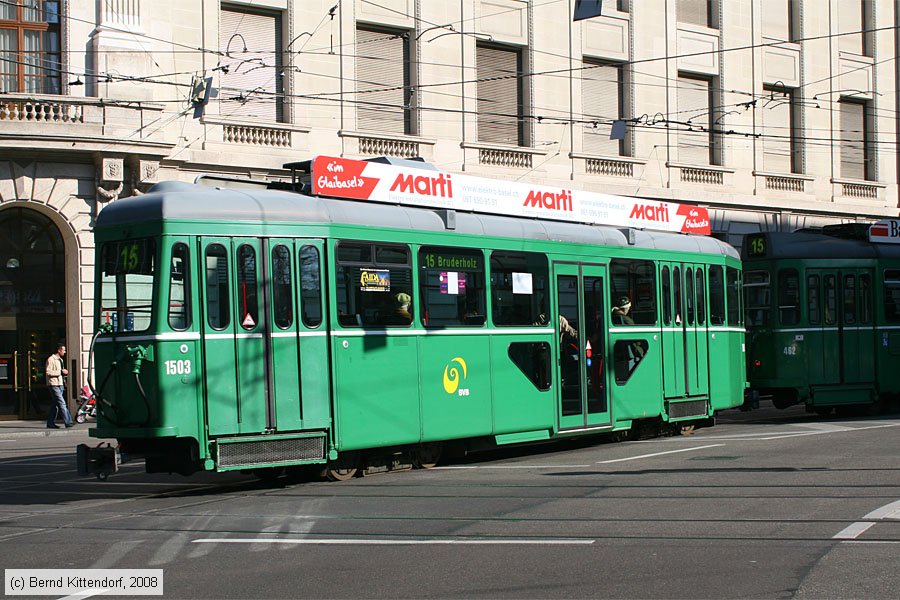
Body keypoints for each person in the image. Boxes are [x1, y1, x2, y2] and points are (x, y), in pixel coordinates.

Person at [45, 343, 72, 429]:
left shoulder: (60, 360)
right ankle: (68, 421)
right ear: (59, 350)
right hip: (53, 384)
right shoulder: (51, 359)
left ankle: (50, 422)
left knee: (55, 405)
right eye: (64, 350)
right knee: (62, 403)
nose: (65, 352)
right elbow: (48, 372)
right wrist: (60, 372)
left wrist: (63, 375)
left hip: (60, 384)